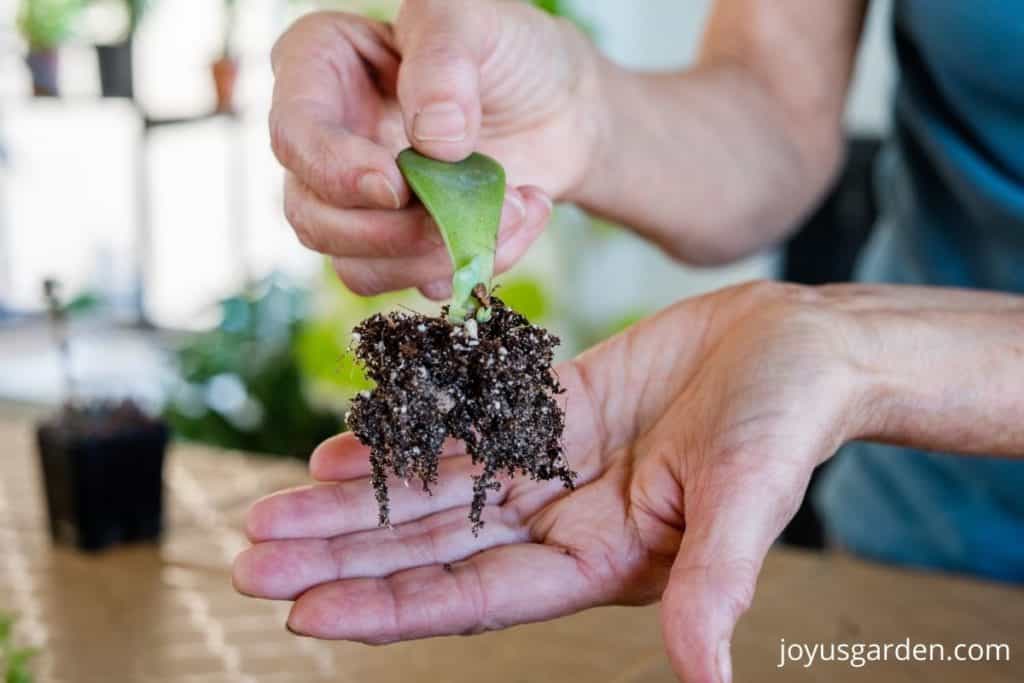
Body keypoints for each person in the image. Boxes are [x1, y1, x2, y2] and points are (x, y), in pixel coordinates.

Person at [232, 2, 1024, 681]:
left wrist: (873, 353)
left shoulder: (855, 352)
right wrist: (581, 109)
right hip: (917, 549)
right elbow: (772, 118)